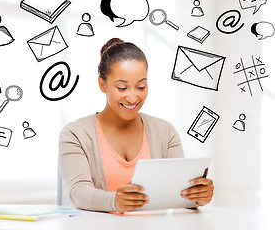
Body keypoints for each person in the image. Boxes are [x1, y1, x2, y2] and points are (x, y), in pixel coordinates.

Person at [59, 38, 214, 214]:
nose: (133, 98)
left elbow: (178, 193)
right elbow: (79, 192)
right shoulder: (75, 134)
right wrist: (115, 201)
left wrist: (197, 196)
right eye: (122, 88)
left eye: (141, 87)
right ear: (102, 84)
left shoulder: (165, 132)